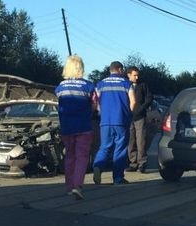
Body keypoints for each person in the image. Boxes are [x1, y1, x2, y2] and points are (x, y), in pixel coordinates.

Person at [54, 55, 97, 200]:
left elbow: (59, 104)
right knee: (82, 157)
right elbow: (94, 105)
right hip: (83, 126)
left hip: (66, 127)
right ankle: (77, 186)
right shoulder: (89, 86)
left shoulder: (60, 86)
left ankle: (69, 186)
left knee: (70, 156)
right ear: (81, 68)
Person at [92, 61, 136, 185]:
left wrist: (101, 112)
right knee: (120, 149)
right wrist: (129, 114)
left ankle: (98, 166)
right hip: (121, 120)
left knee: (105, 147)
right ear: (120, 69)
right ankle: (118, 178)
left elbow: (95, 103)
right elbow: (133, 101)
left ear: (110, 70)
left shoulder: (100, 84)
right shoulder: (127, 83)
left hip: (105, 121)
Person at [126, 66, 153, 173]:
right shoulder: (125, 85)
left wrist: (141, 108)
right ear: (129, 75)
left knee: (141, 141)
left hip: (140, 117)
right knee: (131, 141)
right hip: (128, 118)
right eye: (134, 75)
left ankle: (142, 163)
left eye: (137, 75)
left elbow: (149, 98)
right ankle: (133, 163)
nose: (137, 77)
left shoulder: (142, 85)